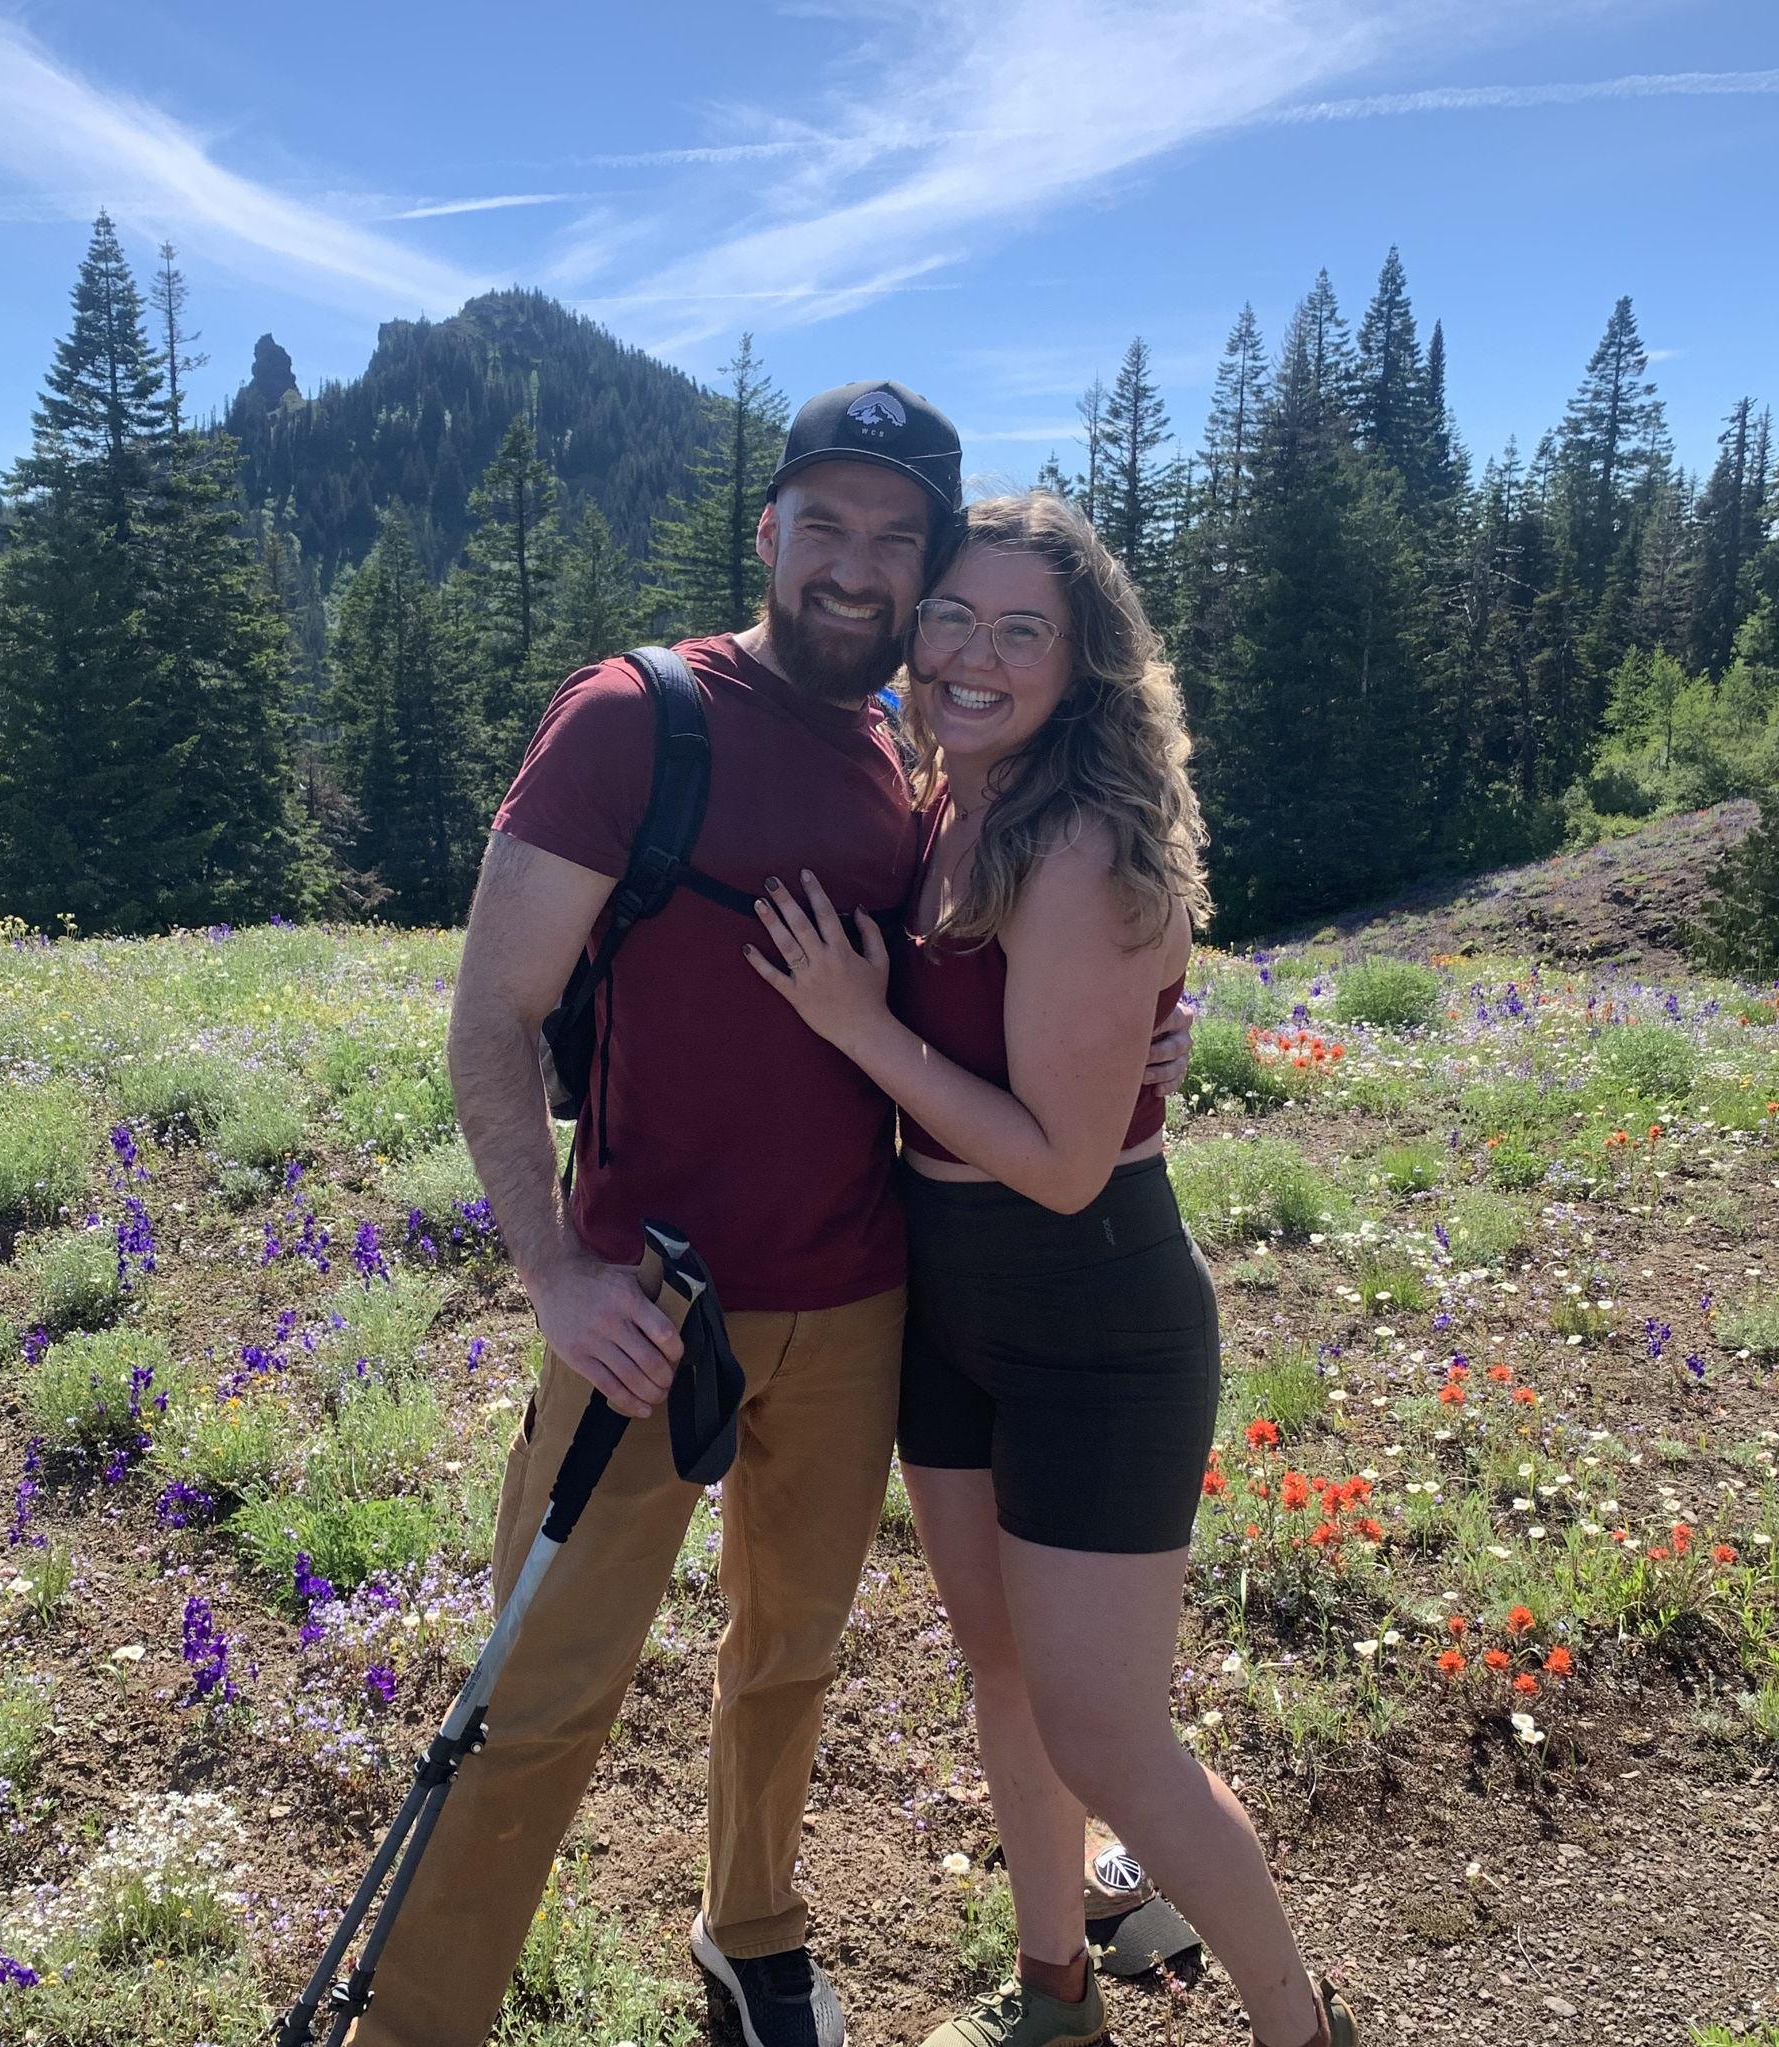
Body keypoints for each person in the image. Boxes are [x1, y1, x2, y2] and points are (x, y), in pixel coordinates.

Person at [351, 390, 1193, 2047]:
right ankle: (419, 2025)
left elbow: (1023, 953)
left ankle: (752, 1933)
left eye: (897, 539)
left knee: (791, 1655)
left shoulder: (913, 760)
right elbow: (490, 1019)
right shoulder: (632, 720)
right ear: (769, 532)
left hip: (863, 1296)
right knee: (540, 1694)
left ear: (928, 568)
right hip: (643, 1309)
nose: (857, 568)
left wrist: (1156, 1025)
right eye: (826, 525)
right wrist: (554, 1273)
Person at [744, 492, 1360, 2047]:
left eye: (1023, 629)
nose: (974, 651)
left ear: (1083, 665)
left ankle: (1303, 2028)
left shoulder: (1074, 839)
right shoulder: (948, 803)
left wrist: (855, 1025)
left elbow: (1065, 1162)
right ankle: (1055, 1996)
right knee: (1004, 1675)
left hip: (1091, 1315)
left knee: (1110, 1737)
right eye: (953, 613)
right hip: (952, 1301)